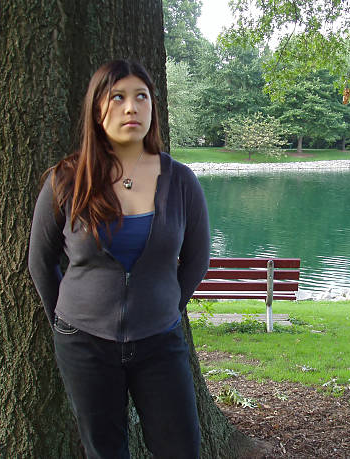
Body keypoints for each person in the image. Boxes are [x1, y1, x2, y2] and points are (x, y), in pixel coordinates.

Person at [28, 60, 210, 458]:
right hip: (84, 344)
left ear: (152, 109)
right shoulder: (65, 181)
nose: (132, 108)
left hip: (160, 341)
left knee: (180, 448)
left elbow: (197, 258)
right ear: (98, 111)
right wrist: (63, 319)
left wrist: (165, 305)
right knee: (105, 451)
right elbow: (40, 262)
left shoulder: (180, 182)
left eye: (141, 97)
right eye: (118, 98)